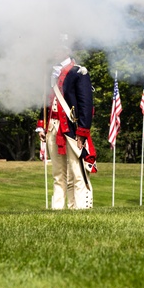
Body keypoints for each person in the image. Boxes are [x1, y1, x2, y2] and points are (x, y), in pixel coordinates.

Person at [59, 57, 96, 209]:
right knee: (66, 176)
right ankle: (71, 206)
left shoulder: (79, 71)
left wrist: (82, 130)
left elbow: (86, 104)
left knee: (79, 172)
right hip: (61, 129)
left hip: (73, 129)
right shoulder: (53, 73)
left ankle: (83, 207)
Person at [42, 54, 77, 209]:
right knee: (58, 173)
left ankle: (74, 205)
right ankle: (57, 208)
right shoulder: (51, 74)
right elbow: (44, 102)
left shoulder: (76, 72)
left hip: (69, 127)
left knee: (73, 172)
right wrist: (41, 125)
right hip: (52, 126)